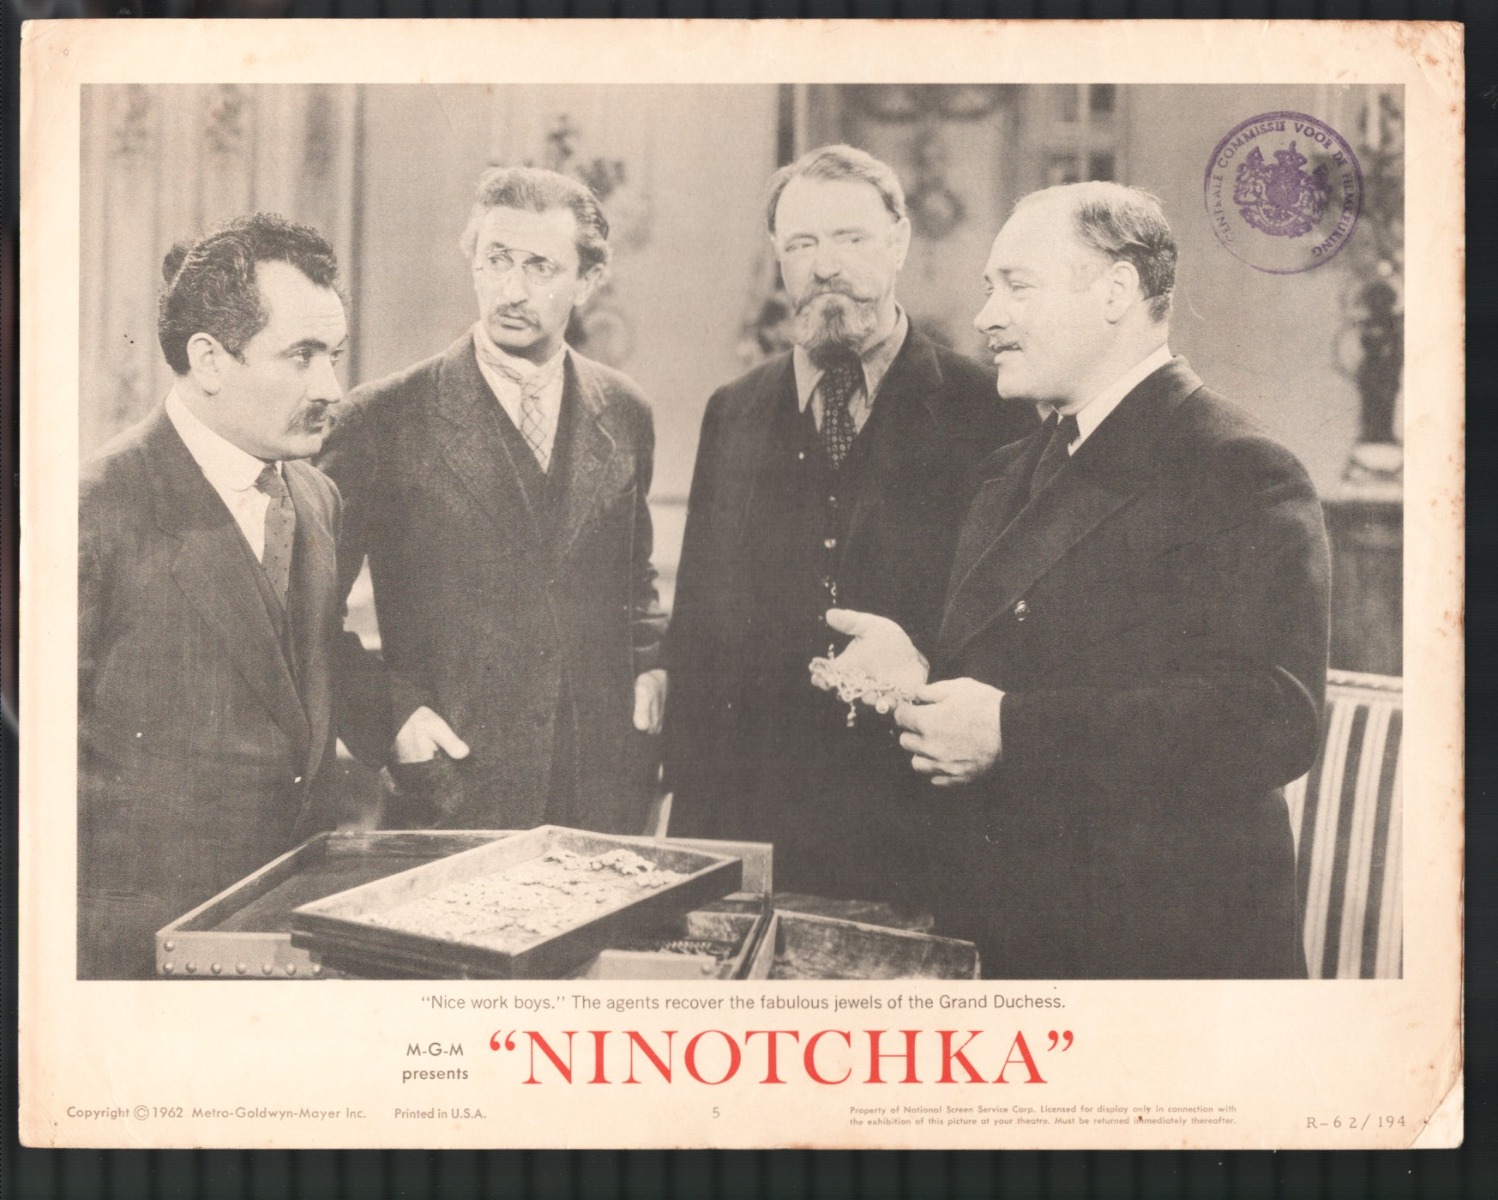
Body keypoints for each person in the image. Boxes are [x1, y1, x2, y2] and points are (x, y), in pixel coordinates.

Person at [821, 181, 1330, 978]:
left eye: (1017, 286)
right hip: (1021, 933)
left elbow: (1271, 718)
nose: (986, 316)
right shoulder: (1010, 469)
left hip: (1162, 952)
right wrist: (919, 674)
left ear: (1116, 291)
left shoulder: (1234, 464)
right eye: (989, 288)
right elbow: (1031, 666)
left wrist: (1011, 732)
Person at [665, 145, 1035, 905]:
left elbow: (1017, 642)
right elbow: (698, 636)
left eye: (850, 238)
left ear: (898, 242)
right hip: (755, 832)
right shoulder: (732, 413)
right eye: (802, 244)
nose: (825, 266)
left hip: (923, 835)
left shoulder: (992, 413)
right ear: (778, 258)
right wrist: (693, 848)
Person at [318, 167, 666, 833]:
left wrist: (652, 672)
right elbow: (305, 611)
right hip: (451, 790)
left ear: (588, 281)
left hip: (599, 797)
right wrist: (391, 718)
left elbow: (635, 580)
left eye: (540, 267)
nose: (513, 290)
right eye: (497, 259)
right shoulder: (381, 419)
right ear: (472, 262)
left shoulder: (625, 411)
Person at [79, 214, 352, 979]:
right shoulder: (95, 510)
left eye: (333, 356)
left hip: (292, 941)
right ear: (208, 360)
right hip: (138, 961)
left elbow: (306, 676)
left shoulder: (318, 497)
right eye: (301, 356)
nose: (330, 389)